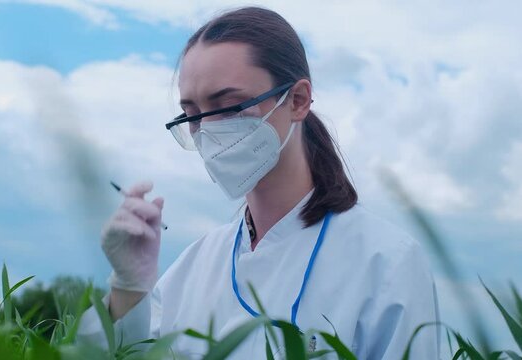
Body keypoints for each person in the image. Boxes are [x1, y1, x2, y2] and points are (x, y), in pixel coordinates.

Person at [78, 6, 440, 359]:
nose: (207, 129)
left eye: (229, 106)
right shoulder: (194, 267)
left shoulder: (386, 263)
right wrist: (130, 285)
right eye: (191, 114)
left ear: (297, 100)